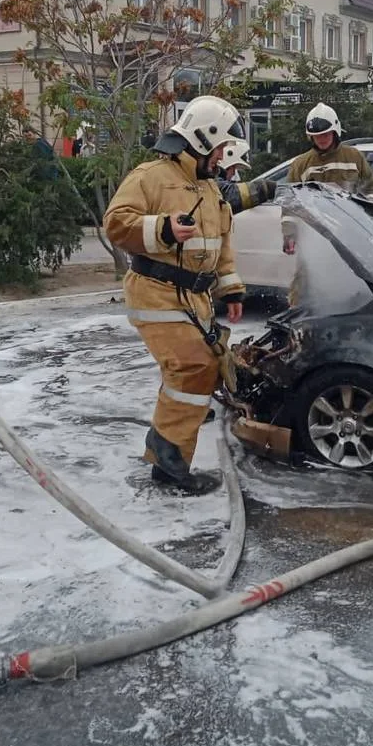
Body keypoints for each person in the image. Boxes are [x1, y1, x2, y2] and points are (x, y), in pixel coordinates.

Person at [103, 95, 246, 495]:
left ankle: (166, 452)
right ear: (203, 140)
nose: (222, 156)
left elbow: (222, 243)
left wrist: (231, 289)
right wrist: (161, 228)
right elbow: (116, 223)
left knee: (201, 369)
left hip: (194, 298)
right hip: (156, 293)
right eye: (219, 148)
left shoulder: (209, 187)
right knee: (192, 370)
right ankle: (168, 465)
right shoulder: (151, 176)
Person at [281, 102, 373, 304]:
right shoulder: (301, 164)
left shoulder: (353, 157)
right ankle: (297, 315)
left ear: (335, 131)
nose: (322, 140)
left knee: (352, 279)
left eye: (326, 135)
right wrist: (289, 235)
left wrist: (370, 217)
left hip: (350, 233)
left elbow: (370, 187)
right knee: (305, 279)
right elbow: (290, 202)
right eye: (317, 136)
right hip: (315, 235)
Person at [216, 139, 276, 214]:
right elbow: (231, 196)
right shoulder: (213, 185)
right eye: (233, 168)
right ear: (225, 165)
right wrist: (267, 187)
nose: (234, 173)